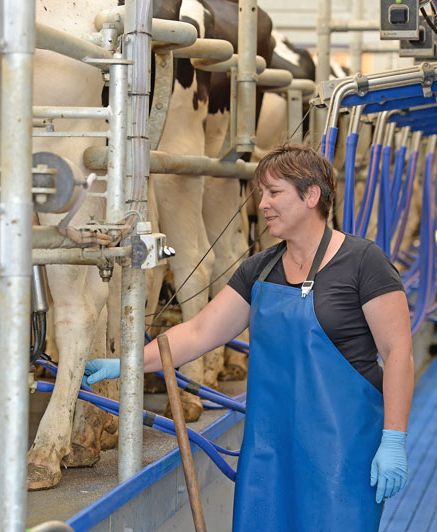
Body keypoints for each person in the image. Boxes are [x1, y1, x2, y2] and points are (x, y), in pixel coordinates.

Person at [84, 144, 414, 530]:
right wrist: (130, 363)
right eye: (262, 193)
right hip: (269, 454)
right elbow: (200, 332)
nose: (263, 204)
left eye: (275, 192)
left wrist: (393, 439)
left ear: (312, 196)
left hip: (342, 452)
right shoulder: (260, 269)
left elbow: (397, 354)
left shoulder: (364, 263)